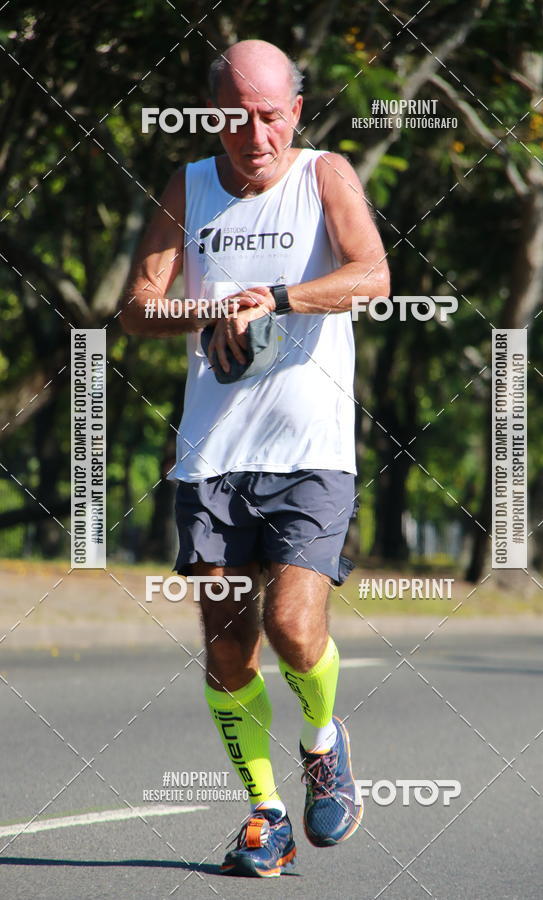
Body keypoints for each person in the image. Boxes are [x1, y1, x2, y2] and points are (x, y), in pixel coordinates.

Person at [120, 38, 389, 878]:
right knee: (229, 647)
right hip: (213, 460)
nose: (256, 134)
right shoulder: (189, 186)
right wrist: (210, 312)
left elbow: (374, 275)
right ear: (214, 120)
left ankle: (323, 742)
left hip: (310, 453)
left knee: (292, 627)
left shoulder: (325, 176)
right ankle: (266, 814)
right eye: (236, 119)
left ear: (295, 113)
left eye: (271, 116)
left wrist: (273, 298)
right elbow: (136, 308)